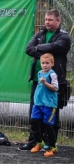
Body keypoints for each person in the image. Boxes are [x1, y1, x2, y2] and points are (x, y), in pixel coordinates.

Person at [20, 9, 71, 151]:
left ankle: (50, 144)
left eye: (50, 20)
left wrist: (39, 48)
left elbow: (57, 47)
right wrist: (45, 51)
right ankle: (34, 141)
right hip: (37, 82)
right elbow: (28, 49)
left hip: (54, 83)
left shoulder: (64, 37)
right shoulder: (40, 34)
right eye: (46, 19)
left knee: (50, 114)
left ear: (58, 21)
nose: (47, 22)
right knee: (34, 113)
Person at [30, 53, 58, 157]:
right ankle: (39, 142)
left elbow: (55, 88)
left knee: (48, 125)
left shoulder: (52, 74)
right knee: (33, 121)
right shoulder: (39, 73)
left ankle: (52, 147)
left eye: (47, 63)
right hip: (38, 103)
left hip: (49, 105)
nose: (45, 65)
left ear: (52, 64)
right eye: (43, 63)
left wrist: (45, 83)